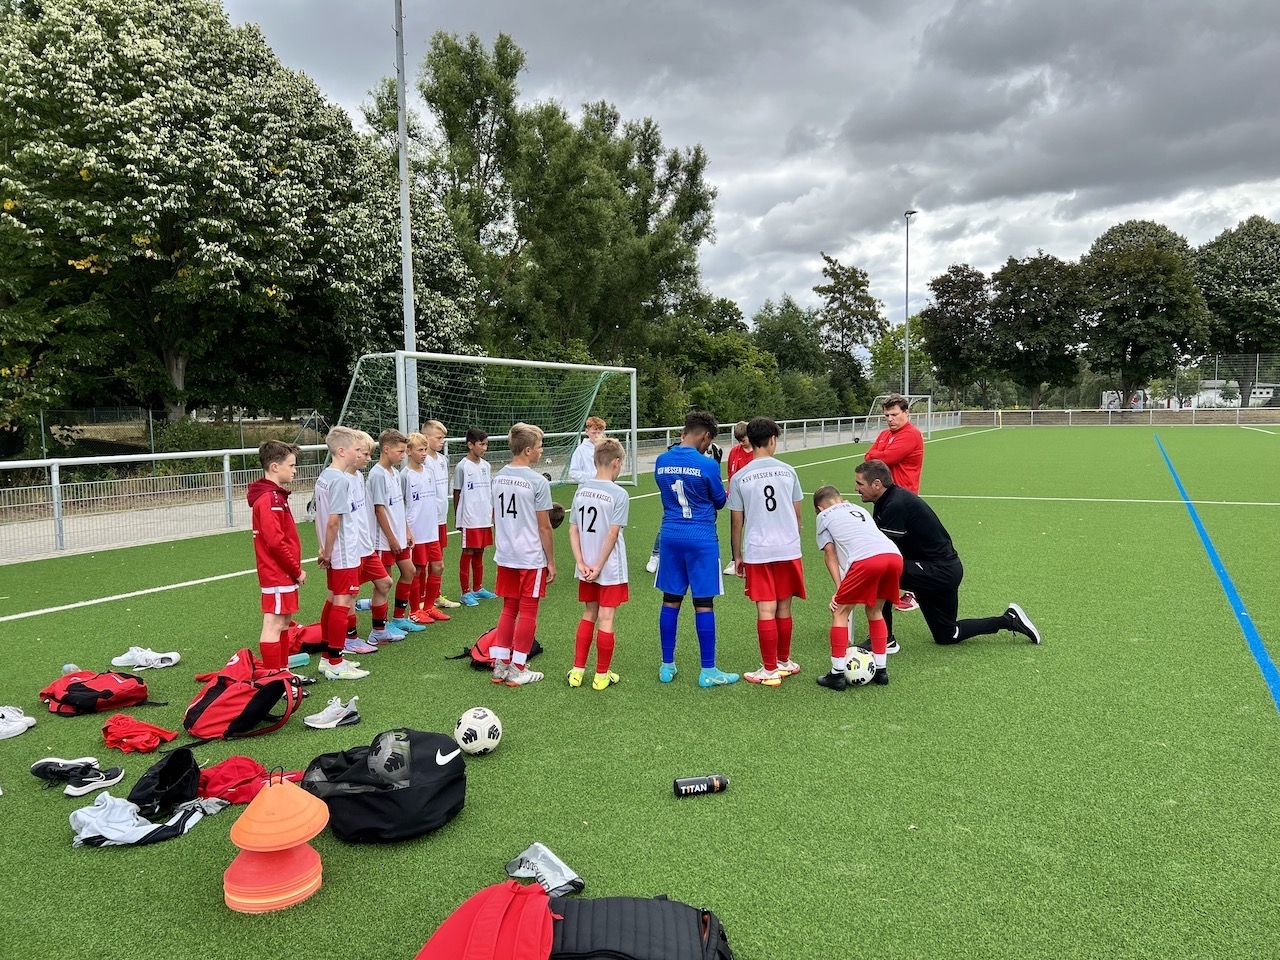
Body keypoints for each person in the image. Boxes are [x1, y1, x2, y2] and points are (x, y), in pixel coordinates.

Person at [853, 459, 1041, 648]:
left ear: (877, 484)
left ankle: (884, 639)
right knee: (947, 635)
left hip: (940, 571)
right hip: (939, 569)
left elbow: (882, 552)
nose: (856, 488)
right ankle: (1009, 620)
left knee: (881, 571)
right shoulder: (887, 500)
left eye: (860, 484)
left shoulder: (895, 504)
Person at [654, 411, 738, 687]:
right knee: (703, 603)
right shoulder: (708, 465)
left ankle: (667, 665)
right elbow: (720, 501)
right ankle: (708, 670)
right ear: (705, 436)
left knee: (670, 599)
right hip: (700, 538)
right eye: (708, 441)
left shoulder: (662, 460)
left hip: (670, 535)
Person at [729, 417, 806, 687]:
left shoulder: (740, 477)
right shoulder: (789, 471)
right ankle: (784, 661)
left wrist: (737, 556)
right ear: (773, 439)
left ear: (750, 440)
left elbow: (736, 522)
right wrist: (792, 540)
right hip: (788, 548)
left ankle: (770, 670)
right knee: (784, 606)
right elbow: (798, 515)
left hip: (759, 550)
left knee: (765, 608)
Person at [812, 484, 902, 689]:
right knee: (875, 610)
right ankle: (881, 670)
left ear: (820, 507)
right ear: (840, 498)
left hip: (866, 559)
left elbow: (830, 553)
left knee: (840, 611)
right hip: (893, 555)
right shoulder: (858, 508)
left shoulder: (824, 516)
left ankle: (836, 674)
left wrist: (839, 588)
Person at [489, 422, 556, 686]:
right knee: (528, 612)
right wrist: (551, 561)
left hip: (506, 554)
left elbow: (495, 516)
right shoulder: (537, 481)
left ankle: (500, 665)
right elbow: (544, 526)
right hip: (529, 555)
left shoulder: (497, 477)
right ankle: (517, 669)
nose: (541, 450)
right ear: (528, 450)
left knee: (509, 608)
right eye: (539, 446)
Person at [567, 437, 629, 690]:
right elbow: (612, 534)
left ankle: (577, 671)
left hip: (585, 565)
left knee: (589, 613)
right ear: (616, 462)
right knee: (606, 617)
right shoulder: (619, 493)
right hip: (608, 567)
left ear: (595, 461)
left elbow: (573, 529)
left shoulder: (581, 490)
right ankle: (601, 675)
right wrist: (600, 566)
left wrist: (581, 561)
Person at [311, 426, 371, 680]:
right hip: (344, 550)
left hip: (336, 549)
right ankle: (335, 661)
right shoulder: (340, 480)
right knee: (343, 602)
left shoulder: (325, 476)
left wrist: (324, 547)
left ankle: (328, 657)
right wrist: (327, 551)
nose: (360, 454)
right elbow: (333, 521)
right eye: (357, 449)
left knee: (334, 598)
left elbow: (319, 516)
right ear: (342, 450)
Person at [248, 440, 306, 670]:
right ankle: (274, 678)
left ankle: (282, 673)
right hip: (277, 572)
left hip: (281, 572)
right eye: (291, 465)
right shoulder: (270, 498)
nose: (294, 470)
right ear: (274, 467)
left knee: (283, 622)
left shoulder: (275, 496)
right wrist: (296, 570)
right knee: (274, 623)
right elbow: (275, 542)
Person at [864, 394, 924, 612]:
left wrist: (878, 454)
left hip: (904, 498)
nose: (890, 419)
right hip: (884, 497)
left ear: (906, 413)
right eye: (887, 415)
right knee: (886, 542)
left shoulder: (911, 434)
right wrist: (878, 454)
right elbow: (869, 459)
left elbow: (884, 460)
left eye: (894, 414)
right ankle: (889, 588)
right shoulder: (884, 434)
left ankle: (915, 592)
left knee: (903, 544)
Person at [368, 428, 423, 635]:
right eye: (399, 451)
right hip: (384, 539)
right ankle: (381, 625)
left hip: (399, 536)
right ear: (386, 449)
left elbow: (399, 506)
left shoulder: (395, 474)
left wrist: (406, 531)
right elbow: (379, 509)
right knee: (384, 583)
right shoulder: (377, 475)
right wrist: (391, 538)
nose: (402, 455)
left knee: (409, 571)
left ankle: (399, 618)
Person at [352, 430, 401, 647]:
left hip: (365, 545)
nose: (368, 458)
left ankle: (378, 631)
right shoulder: (339, 479)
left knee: (385, 582)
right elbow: (331, 520)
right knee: (344, 595)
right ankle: (347, 640)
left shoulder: (357, 477)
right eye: (364, 453)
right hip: (352, 548)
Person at [402, 431, 448, 623]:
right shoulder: (405, 476)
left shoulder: (429, 473)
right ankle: (415, 610)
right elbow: (401, 506)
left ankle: (428, 607)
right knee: (417, 570)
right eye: (420, 450)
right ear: (408, 451)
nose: (423, 454)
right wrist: (407, 530)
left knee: (438, 566)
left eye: (425, 450)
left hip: (431, 531)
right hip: (416, 532)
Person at [454, 427, 496, 605]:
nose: (484, 448)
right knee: (468, 551)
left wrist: (491, 512)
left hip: (483, 516)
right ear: (470, 445)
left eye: (486, 444)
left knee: (480, 550)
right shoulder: (462, 467)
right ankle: (465, 592)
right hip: (469, 517)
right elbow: (457, 492)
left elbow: (489, 492)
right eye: (481, 444)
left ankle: (478, 588)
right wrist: (458, 517)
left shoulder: (486, 466)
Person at [422, 419, 462, 610]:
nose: (442, 441)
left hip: (440, 518)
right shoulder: (423, 461)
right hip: (426, 520)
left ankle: (435, 596)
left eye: (443, 438)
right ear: (426, 437)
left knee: (438, 560)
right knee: (422, 561)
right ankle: (421, 598)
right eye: (438, 438)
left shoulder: (442, 460)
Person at [722, 420, 751, 575]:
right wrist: (730, 490)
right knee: (736, 526)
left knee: (753, 527)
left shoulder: (757, 451)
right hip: (737, 496)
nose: (741, 443)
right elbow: (730, 472)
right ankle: (735, 559)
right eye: (739, 440)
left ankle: (752, 559)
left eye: (743, 439)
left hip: (753, 496)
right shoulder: (734, 451)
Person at [568, 416, 606, 484]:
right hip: (587, 487)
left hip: (604, 486)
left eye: (599, 433)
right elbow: (573, 473)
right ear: (587, 432)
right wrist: (593, 476)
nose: (597, 436)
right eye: (593, 433)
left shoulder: (606, 448)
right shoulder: (581, 450)